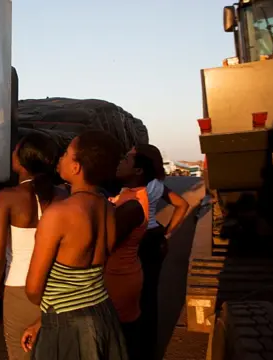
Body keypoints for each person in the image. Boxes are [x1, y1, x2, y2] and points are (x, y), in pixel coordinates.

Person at [21, 130, 128, 360]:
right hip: (103, 315)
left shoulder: (58, 214)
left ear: (76, 167)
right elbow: (85, 283)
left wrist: (52, 315)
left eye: (67, 153)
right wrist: (42, 321)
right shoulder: (108, 210)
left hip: (69, 327)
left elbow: (33, 289)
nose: (60, 158)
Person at [0, 132, 66, 360]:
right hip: (56, 290)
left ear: (22, 159)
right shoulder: (62, 195)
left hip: (20, 292)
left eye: (15, 150)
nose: (12, 153)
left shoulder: (8, 197)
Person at [134, 144, 189, 360]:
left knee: (134, 297)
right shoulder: (158, 184)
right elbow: (182, 205)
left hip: (139, 240)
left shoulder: (135, 187)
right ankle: (151, 347)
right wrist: (167, 233)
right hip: (155, 237)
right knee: (149, 295)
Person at [105, 148, 157, 360]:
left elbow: (107, 243)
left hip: (119, 278)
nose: (120, 162)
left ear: (137, 170)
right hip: (120, 274)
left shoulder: (133, 205)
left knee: (119, 339)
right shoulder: (128, 194)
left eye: (125, 160)